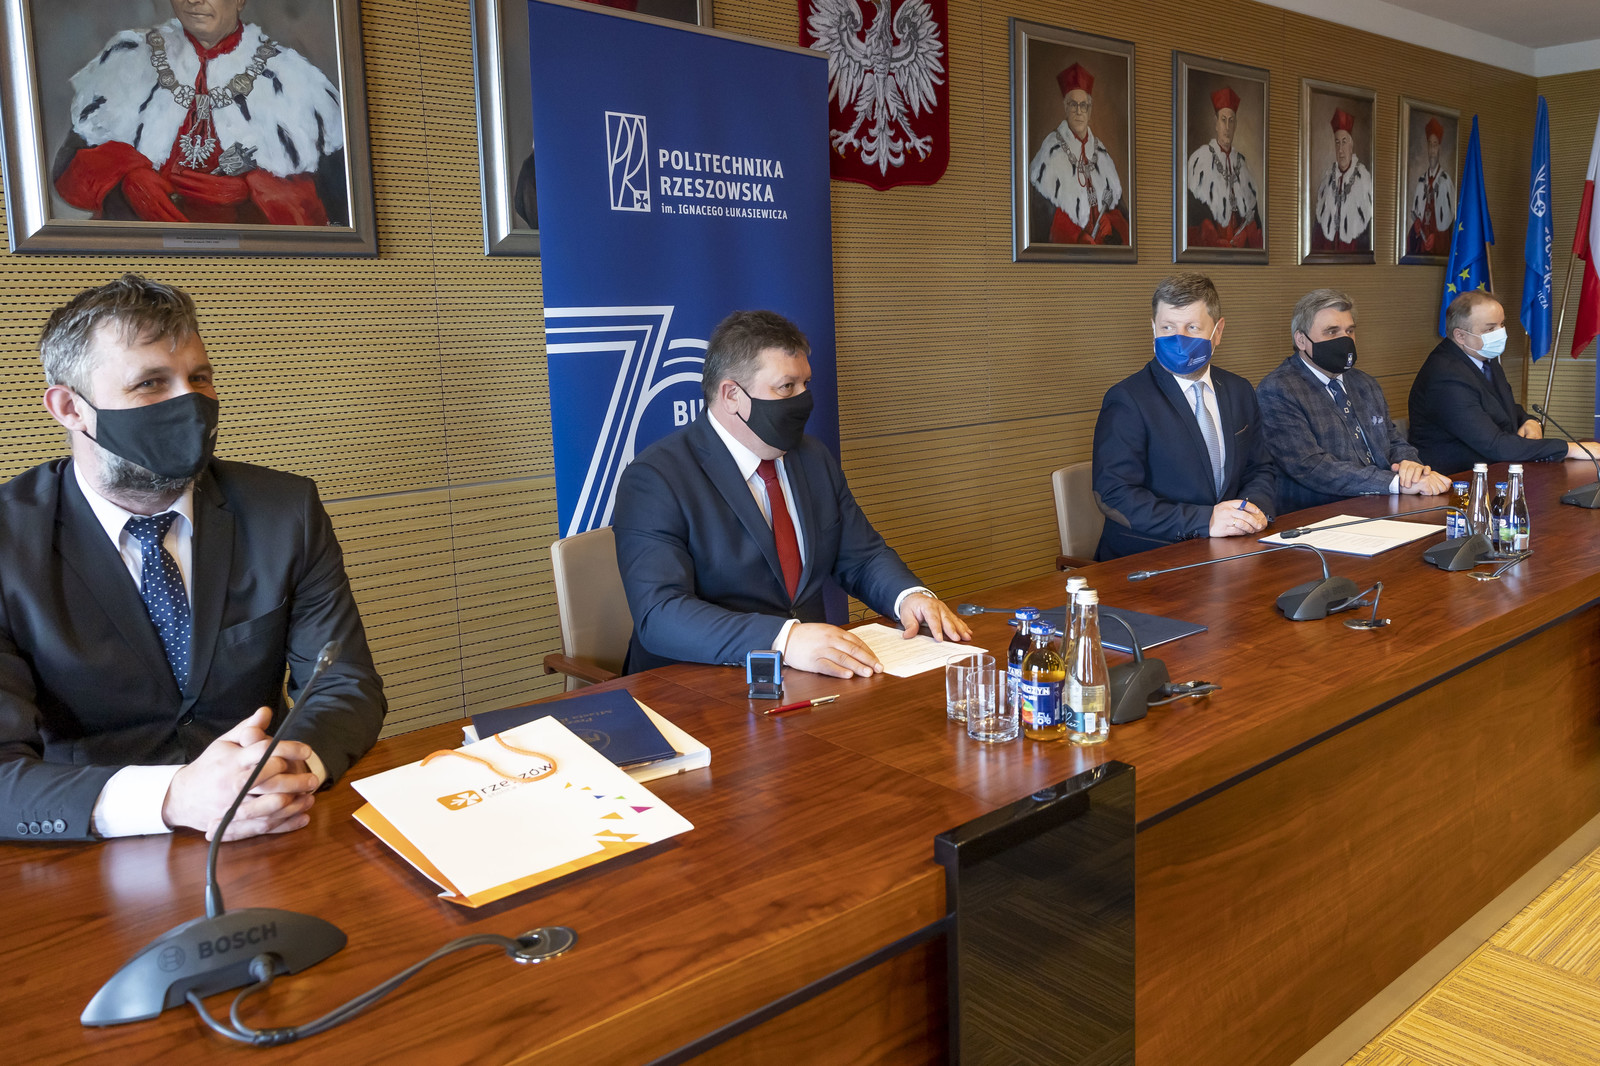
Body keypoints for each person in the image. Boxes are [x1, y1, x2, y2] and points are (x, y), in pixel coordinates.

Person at [0, 275, 385, 843]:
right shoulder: (10, 541)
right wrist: (175, 798)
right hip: (88, 846)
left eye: (199, 378)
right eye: (151, 383)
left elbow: (344, 683)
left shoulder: (284, 509)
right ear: (70, 409)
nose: (190, 403)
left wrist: (284, 772)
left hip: (273, 821)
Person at [612, 310, 970, 678]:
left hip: (809, 677)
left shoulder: (812, 457)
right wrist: (784, 639)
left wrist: (908, 596)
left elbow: (861, 556)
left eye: (805, 384)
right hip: (695, 681)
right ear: (732, 395)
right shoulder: (656, 478)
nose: (803, 400)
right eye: (786, 387)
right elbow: (660, 614)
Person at [53, 0, 348, 226]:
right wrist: (126, 178)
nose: (194, 0)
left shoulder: (294, 79)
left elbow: (338, 207)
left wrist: (253, 191)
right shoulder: (129, 57)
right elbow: (67, 173)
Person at [1092, 273, 1276, 560]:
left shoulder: (1239, 390)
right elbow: (1114, 494)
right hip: (1149, 557)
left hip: (1232, 551)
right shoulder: (1127, 399)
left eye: (1192, 327)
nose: (1179, 339)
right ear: (1153, 329)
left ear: (1218, 331)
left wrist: (1250, 511)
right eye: (1167, 327)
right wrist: (1206, 521)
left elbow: (1260, 468)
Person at [1258, 289, 1451, 513]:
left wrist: (1411, 468)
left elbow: (1393, 441)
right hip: (1320, 513)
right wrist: (1395, 483)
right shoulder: (1278, 389)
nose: (1344, 340)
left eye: (1349, 331)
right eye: (1332, 332)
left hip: (1387, 502)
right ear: (1301, 340)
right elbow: (1311, 466)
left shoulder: (1365, 383)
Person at [1409, 290, 1600, 474]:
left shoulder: (1482, 357)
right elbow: (1495, 445)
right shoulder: (1445, 376)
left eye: (1502, 324)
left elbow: (1501, 407)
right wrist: (1570, 449)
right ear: (1460, 336)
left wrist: (1530, 421)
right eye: (1490, 329)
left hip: (1494, 471)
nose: (1500, 333)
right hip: (1455, 482)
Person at [1029, 63, 1128, 245]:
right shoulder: (1050, 153)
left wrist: (1110, 222)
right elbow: (1042, 219)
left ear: (1090, 110)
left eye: (1084, 105)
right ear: (1065, 107)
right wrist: (1077, 237)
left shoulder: (1102, 154)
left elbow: (1122, 216)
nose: (1079, 111)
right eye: (1073, 104)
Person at [1185, 85, 1261, 249]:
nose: (1227, 127)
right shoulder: (1200, 160)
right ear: (1216, 123)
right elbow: (1193, 219)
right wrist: (1214, 239)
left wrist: (1246, 234)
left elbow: (1255, 220)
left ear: (1236, 125)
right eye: (1223, 120)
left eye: (1231, 121)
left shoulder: (1243, 164)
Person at [1311, 109, 1373, 254]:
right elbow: (1317, 230)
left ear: (1351, 145)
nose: (1340, 150)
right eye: (1337, 143)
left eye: (1344, 142)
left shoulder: (1363, 179)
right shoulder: (1327, 180)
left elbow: (1368, 233)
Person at [1407, 116, 1455, 258]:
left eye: (1435, 144)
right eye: (1430, 144)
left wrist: (1437, 237)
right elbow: (1417, 216)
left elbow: (1449, 224)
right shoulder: (1421, 182)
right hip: (1421, 250)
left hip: (1439, 249)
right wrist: (1416, 229)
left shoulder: (1446, 182)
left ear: (1439, 148)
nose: (1432, 149)